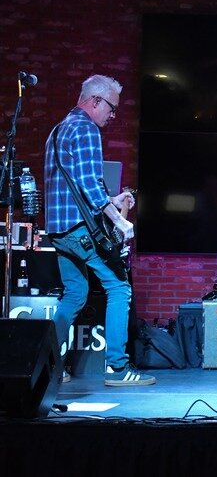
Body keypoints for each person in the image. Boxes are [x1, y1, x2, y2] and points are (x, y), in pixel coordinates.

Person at [44, 74, 156, 386]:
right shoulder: (86, 127)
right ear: (95, 101)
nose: (113, 114)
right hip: (80, 231)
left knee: (75, 295)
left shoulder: (58, 130)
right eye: (111, 108)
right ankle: (117, 369)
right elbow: (89, 183)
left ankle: (48, 365)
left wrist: (111, 200)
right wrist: (119, 220)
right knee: (119, 288)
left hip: (59, 230)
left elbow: (74, 186)